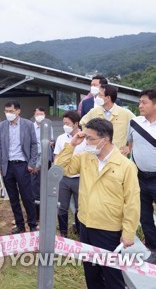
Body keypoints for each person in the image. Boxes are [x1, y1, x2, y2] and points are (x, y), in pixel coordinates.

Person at [55, 118, 140, 289]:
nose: (86, 142)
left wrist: (129, 232)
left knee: (112, 276)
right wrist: (72, 144)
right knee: (91, 275)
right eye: (85, 138)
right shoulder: (86, 158)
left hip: (109, 230)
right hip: (86, 225)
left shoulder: (125, 166)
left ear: (105, 139)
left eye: (90, 138)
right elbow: (60, 169)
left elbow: (132, 201)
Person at [0, 100, 38, 234]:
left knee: (27, 197)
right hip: (7, 166)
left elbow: (34, 145)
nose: (9, 114)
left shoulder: (28, 125)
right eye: (6, 111)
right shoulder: (2, 126)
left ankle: (32, 224)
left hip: (22, 165)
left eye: (11, 111)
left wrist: (32, 163)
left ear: (18, 111)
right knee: (13, 198)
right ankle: (20, 225)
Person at [124, 89, 156, 264]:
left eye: (144, 102)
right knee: (144, 216)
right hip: (139, 178)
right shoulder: (134, 122)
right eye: (140, 102)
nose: (140, 105)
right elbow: (130, 144)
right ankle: (153, 248)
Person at [53, 111, 86, 237]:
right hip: (64, 178)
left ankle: (80, 233)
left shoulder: (84, 139)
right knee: (62, 206)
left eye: (68, 123)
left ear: (76, 123)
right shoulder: (61, 138)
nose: (65, 126)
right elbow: (57, 156)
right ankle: (63, 234)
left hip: (79, 178)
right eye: (64, 123)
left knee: (80, 207)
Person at [80, 84, 135, 150]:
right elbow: (82, 123)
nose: (97, 97)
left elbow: (137, 129)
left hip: (118, 155)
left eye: (100, 95)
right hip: (97, 153)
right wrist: (88, 136)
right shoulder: (93, 112)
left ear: (108, 98)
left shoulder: (125, 113)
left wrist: (130, 146)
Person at [30, 106, 54, 222]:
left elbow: (50, 142)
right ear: (34, 114)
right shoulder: (30, 127)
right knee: (34, 188)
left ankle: (44, 213)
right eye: (38, 113)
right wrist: (35, 163)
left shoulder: (48, 127)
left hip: (45, 160)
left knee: (44, 186)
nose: (40, 116)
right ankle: (36, 215)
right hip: (34, 161)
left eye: (42, 114)